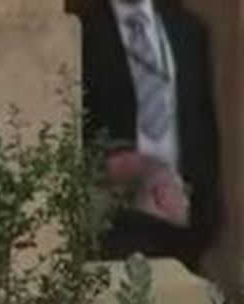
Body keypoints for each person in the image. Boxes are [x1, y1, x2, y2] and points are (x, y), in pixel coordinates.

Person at [79, 0, 221, 271]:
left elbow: (203, 117)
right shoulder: (85, 34)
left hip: (186, 216)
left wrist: (207, 203)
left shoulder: (188, 28)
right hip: (122, 218)